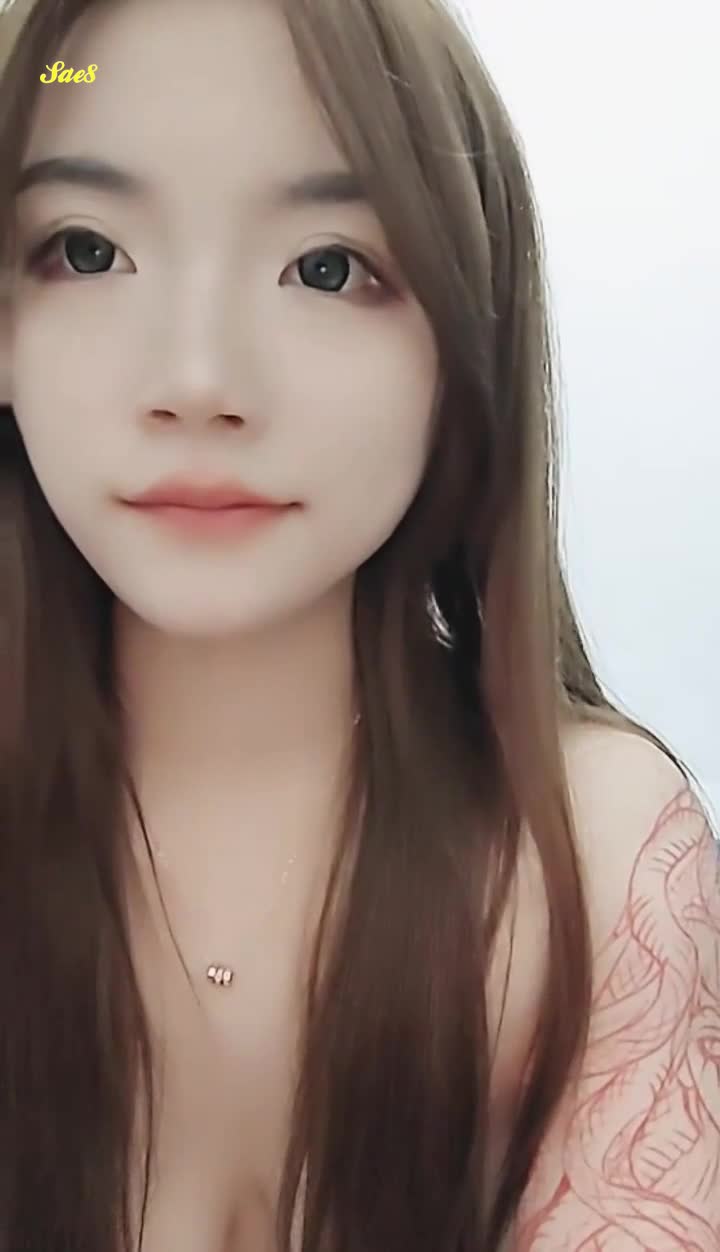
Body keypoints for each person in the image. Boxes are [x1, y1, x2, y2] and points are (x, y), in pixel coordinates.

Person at [0, 0, 717, 1249]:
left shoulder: (592, 860)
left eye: (326, 267)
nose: (199, 381)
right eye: (88, 249)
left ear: (463, 337)